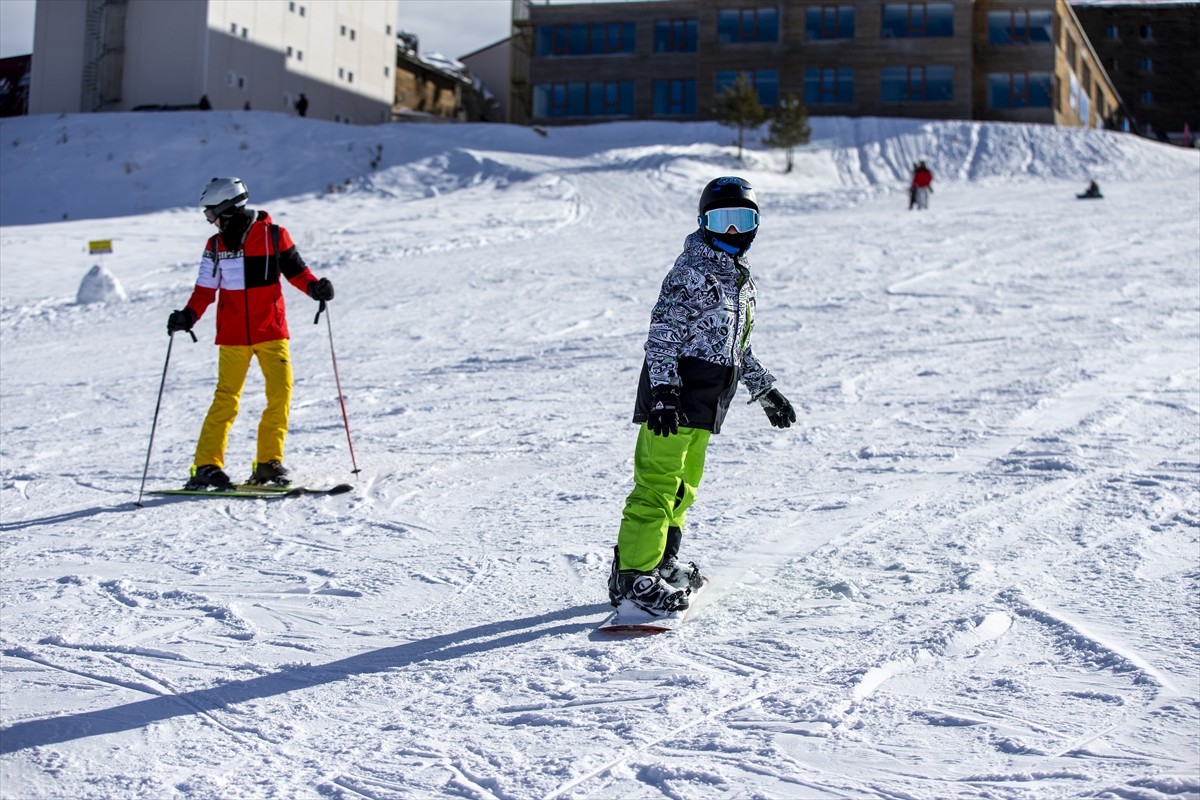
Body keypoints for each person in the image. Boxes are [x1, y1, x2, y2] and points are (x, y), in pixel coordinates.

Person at [607, 176, 796, 614]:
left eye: (741, 219)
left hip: (709, 400)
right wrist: (664, 392)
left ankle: (660, 562)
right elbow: (662, 336)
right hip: (674, 397)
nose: (732, 231)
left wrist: (765, 389)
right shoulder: (690, 272)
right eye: (721, 220)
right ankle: (634, 578)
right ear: (703, 222)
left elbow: (735, 347)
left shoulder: (741, 282)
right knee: (656, 486)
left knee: (682, 488)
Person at [166, 177, 335, 490]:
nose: (209, 220)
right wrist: (188, 315)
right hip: (232, 336)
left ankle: (268, 464)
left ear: (226, 209)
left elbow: (297, 272)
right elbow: (204, 290)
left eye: (210, 213)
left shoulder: (274, 236)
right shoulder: (215, 246)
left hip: (271, 331)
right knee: (226, 400)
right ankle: (206, 466)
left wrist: (315, 288)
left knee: (280, 394)